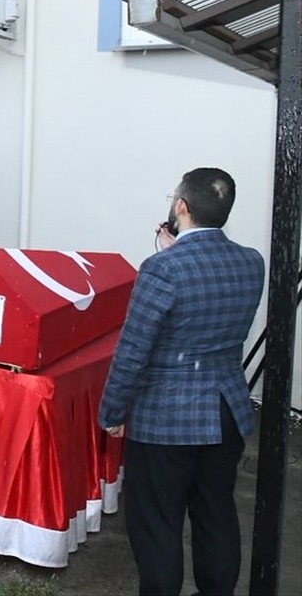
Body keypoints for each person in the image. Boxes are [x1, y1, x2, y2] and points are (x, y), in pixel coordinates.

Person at [99, 168, 264, 596]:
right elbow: (208, 297)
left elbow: (134, 349)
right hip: (226, 410)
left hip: (166, 419)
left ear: (181, 207)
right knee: (216, 513)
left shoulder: (161, 269)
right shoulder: (251, 262)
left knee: (157, 523)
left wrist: (113, 411)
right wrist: (178, 251)